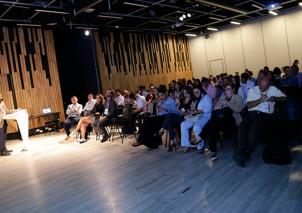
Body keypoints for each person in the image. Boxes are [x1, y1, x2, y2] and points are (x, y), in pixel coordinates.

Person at [233, 76, 286, 167]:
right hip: (252, 113)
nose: (263, 89)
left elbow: (284, 98)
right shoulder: (253, 90)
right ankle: (242, 151)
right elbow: (249, 105)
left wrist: (274, 99)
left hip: (265, 114)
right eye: (261, 87)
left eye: (265, 87)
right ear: (258, 83)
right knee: (242, 126)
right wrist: (260, 100)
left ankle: (247, 152)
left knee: (253, 131)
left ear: (269, 85)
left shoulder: (273, 89)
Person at [209, 83, 244, 161]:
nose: (226, 91)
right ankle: (213, 151)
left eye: (228, 89)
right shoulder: (223, 96)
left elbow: (238, 109)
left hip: (232, 120)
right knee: (212, 126)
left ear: (233, 89)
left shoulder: (238, 97)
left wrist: (227, 103)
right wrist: (222, 105)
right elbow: (215, 107)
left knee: (213, 122)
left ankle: (202, 136)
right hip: (221, 120)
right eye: (225, 89)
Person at [158, 87, 193, 151]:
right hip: (178, 116)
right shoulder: (183, 100)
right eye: (184, 93)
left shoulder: (192, 100)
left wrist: (184, 112)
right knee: (170, 122)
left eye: (186, 93)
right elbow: (178, 110)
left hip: (185, 117)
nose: (185, 94)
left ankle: (163, 128)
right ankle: (172, 141)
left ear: (190, 93)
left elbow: (191, 111)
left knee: (170, 115)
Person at [180, 87, 212, 153]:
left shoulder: (206, 97)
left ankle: (200, 147)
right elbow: (193, 109)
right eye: (194, 92)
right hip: (196, 116)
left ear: (201, 91)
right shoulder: (195, 99)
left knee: (196, 127)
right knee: (183, 124)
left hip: (205, 116)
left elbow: (209, 109)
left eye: (197, 92)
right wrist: (191, 111)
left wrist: (197, 111)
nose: (195, 94)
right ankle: (186, 145)